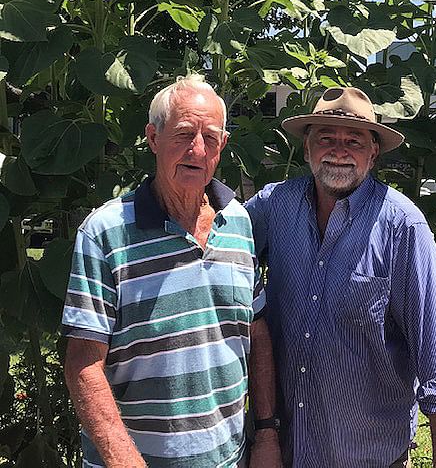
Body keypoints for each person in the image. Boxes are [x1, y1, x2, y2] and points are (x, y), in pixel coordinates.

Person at [62, 75, 282, 468]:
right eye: (183, 134)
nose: (197, 150)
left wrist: (265, 431)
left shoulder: (238, 222)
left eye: (211, 138)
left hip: (228, 459)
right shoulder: (105, 233)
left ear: (223, 146)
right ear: (152, 138)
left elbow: (256, 330)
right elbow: (83, 362)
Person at [245, 86, 436, 468]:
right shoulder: (274, 206)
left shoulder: (401, 226)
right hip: (281, 449)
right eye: (326, 137)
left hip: (367, 455)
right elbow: (221, 244)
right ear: (307, 147)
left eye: (354, 140)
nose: (339, 150)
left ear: (373, 152)